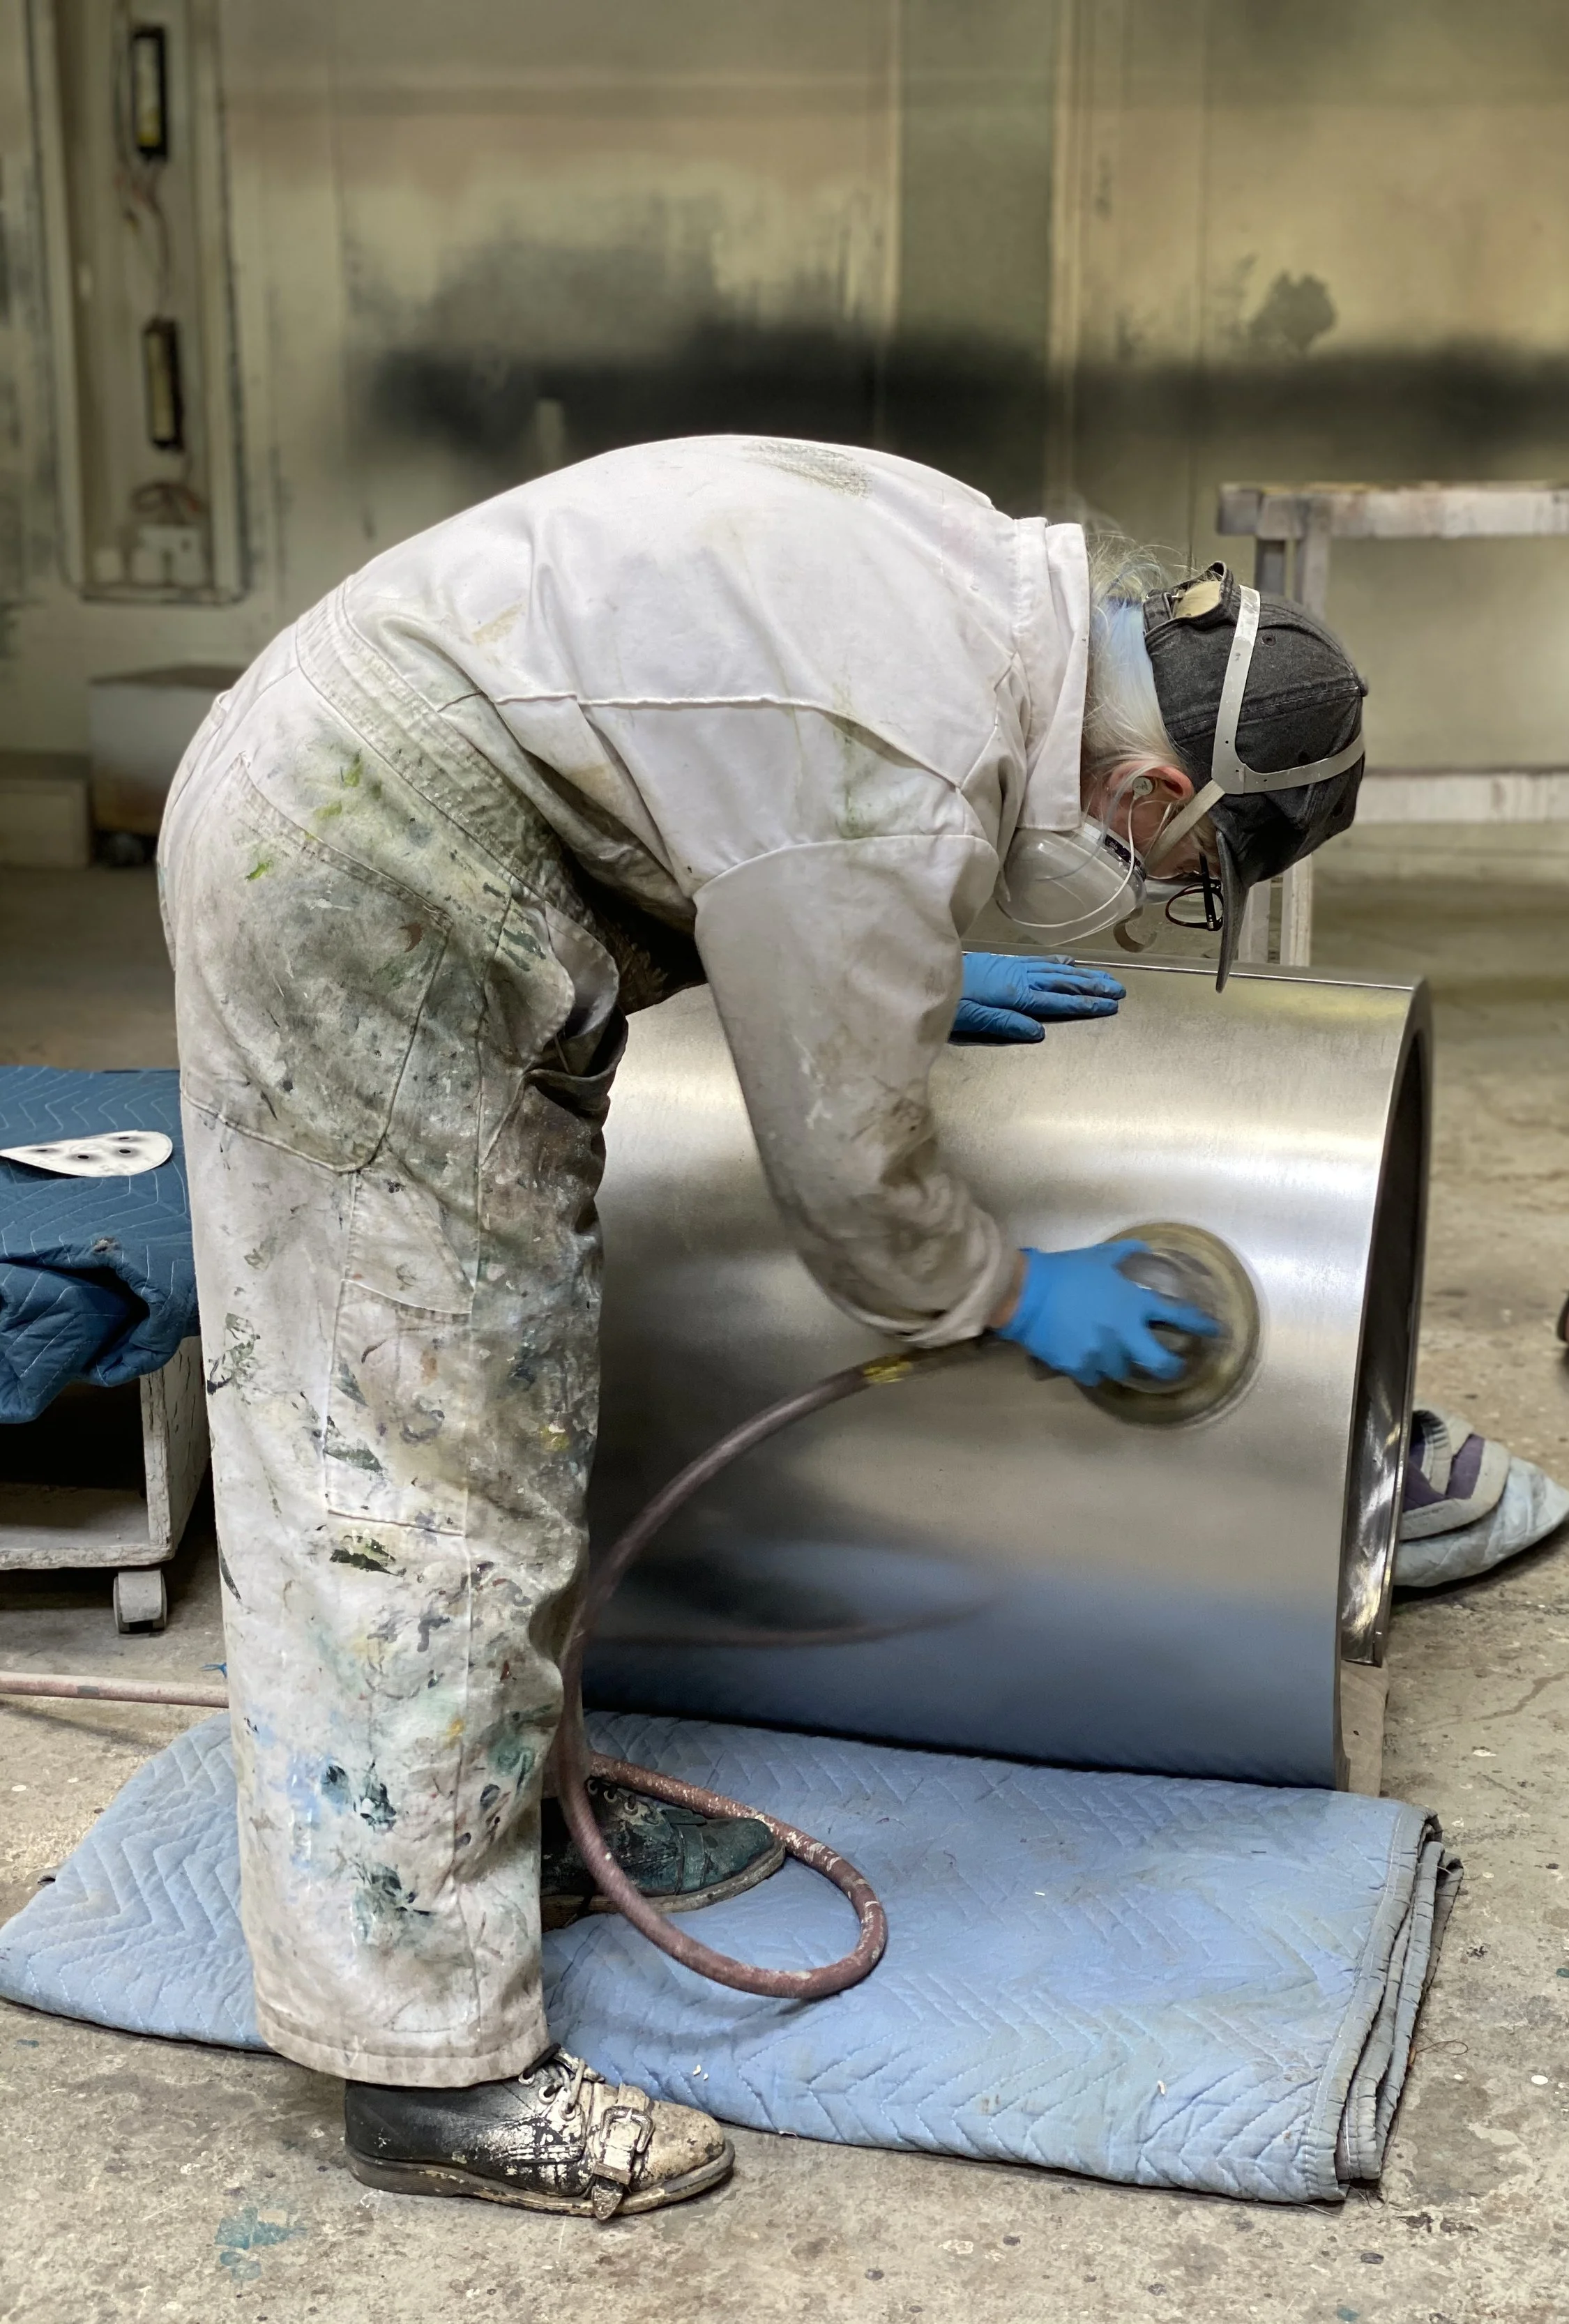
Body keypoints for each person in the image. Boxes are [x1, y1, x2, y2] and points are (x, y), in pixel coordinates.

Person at [157, 435, 1365, 2219]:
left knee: (508, 1411)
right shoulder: (902, 771)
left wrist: (888, 957)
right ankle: (428, 2067)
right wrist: (1012, 1289)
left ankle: (500, 1833)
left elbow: (728, 761)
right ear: (1152, 780)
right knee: (420, 1460)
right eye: (1171, 858)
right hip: (366, 881)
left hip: (385, 809)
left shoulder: (995, 595)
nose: (1144, 880)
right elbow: (850, 1178)